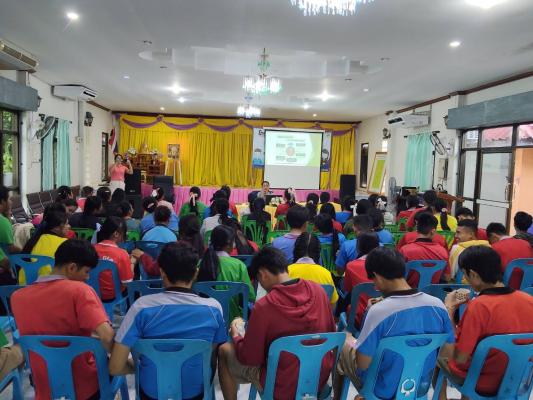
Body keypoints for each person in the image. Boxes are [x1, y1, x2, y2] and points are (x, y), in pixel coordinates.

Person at [333, 247, 454, 400]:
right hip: (418, 386)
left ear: (377, 276)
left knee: (344, 340)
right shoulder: (438, 305)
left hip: (380, 388)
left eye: (374, 281)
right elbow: (447, 353)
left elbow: (362, 363)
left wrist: (353, 338)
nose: (375, 287)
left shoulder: (378, 311)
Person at [109, 243, 227, 400]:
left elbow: (115, 366)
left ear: (162, 272)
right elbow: (211, 355)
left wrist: (139, 366)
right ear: (195, 273)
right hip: (195, 392)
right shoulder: (213, 308)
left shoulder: (140, 308)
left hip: (151, 392)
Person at [218, 246, 336, 400]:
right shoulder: (319, 292)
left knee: (224, 350)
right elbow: (331, 332)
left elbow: (251, 358)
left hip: (280, 385)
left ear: (262, 274)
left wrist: (236, 336)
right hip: (318, 378)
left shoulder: (264, 306)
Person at [12, 239, 113, 400]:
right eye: (86, 272)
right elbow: (107, 337)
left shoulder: (17, 297)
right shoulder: (80, 291)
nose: (87, 278)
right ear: (72, 267)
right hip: (85, 386)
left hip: (44, 385)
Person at [440, 246, 533, 398]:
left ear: (473, 274)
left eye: (465, 275)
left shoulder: (479, 306)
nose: (466, 280)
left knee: (437, 353)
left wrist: (449, 309)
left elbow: (460, 357)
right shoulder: (529, 300)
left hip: (479, 383)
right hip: (519, 380)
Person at [197, 224, 255, 322]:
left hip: (206, 320)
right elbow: (249, 296)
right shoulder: (239, 266)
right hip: (234, 322)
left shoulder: (200, 264)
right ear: (229, 244)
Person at [21, 204, 70, 284]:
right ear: (56, 228)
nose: (69, 226)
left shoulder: (34, 240)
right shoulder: (64, 243)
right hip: (49, 285)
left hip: (24, 285)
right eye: (66, 224)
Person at [399, 213, 451, 286]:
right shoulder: (442, 251)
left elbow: (397, 275)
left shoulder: (405, 250)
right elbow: (447, 277)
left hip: (408, 291)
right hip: (432, 292)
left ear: (417, 229)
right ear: (433, 231)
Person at [288, 232, 339, 307]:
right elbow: (333, 303)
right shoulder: (325, 274)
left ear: (296, 250)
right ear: (318, 252)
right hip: (319, 314)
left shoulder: (287, 272)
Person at [342, 232, 380, 328]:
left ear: (358, 247)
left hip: (359, 317)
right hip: (383, 314)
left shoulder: (351, 266)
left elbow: (347, 289)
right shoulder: (386, 263)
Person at [94, 217, 133, 301]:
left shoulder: (91, 249)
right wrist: (132, 263)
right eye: (124, 233)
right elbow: (127, 283)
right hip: (114, 297)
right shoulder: (122, 254)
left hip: (93, 294)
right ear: (116, 234)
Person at [486, 222, 533, 289]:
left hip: (506, 289)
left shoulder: (494, 248)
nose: (490, 243)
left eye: (490, 241)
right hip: (529, 288)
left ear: (494, 236)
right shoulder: (526, 244)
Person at [0, 185, 21, 254]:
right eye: (9, 199)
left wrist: (8, 213)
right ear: (3, 201)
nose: (11, 202)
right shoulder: (3, 222)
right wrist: (25, 252)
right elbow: (11, 249)